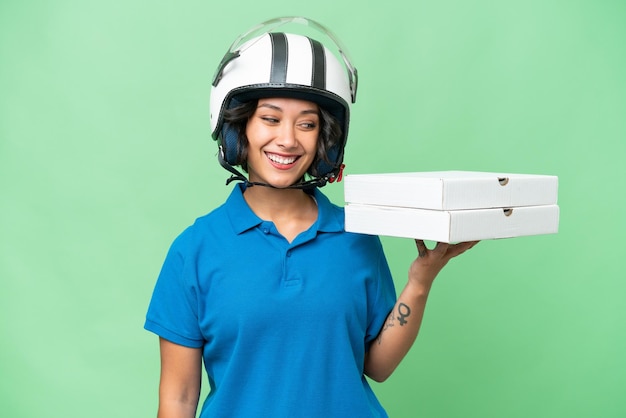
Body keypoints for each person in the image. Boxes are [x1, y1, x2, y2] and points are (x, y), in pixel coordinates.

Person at [144, 16, 478, 418]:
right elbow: (178, 398)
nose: (288, 139)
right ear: (238, 129)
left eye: (307, 124)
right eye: (270, 118)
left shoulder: (357, 235)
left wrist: (421, 281)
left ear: (326, 140)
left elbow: (379, 366)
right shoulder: (194, 250)